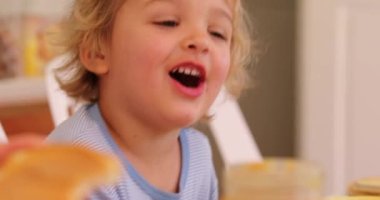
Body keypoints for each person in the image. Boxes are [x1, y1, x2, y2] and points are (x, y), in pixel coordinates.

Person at [46, 0, 252, 199]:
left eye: (217, 33)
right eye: (168, 22)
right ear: (97, 51)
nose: (201, 41)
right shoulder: (77, 163)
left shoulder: (198, 155)